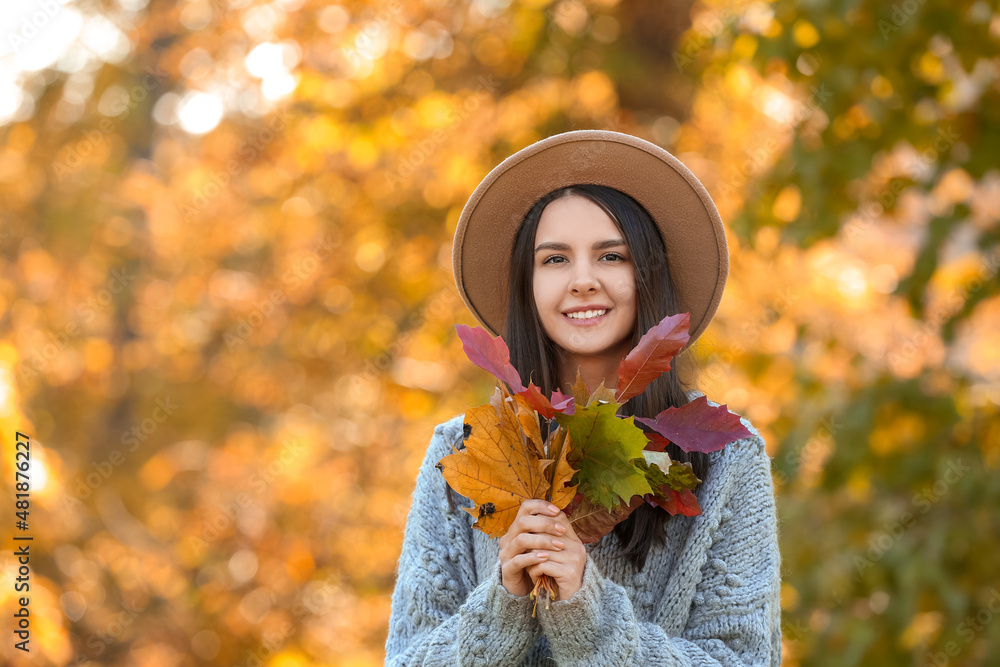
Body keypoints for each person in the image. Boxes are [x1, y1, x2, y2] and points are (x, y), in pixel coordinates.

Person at [384, 130, 782, 666]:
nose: (583, 281)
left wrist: (590, 617)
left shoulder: (727, 459)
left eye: (611, 256)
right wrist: (503, 604)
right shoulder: (459, 452)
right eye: (554, 260)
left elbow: (745, 659)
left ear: (647, 276)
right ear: (527, 285)